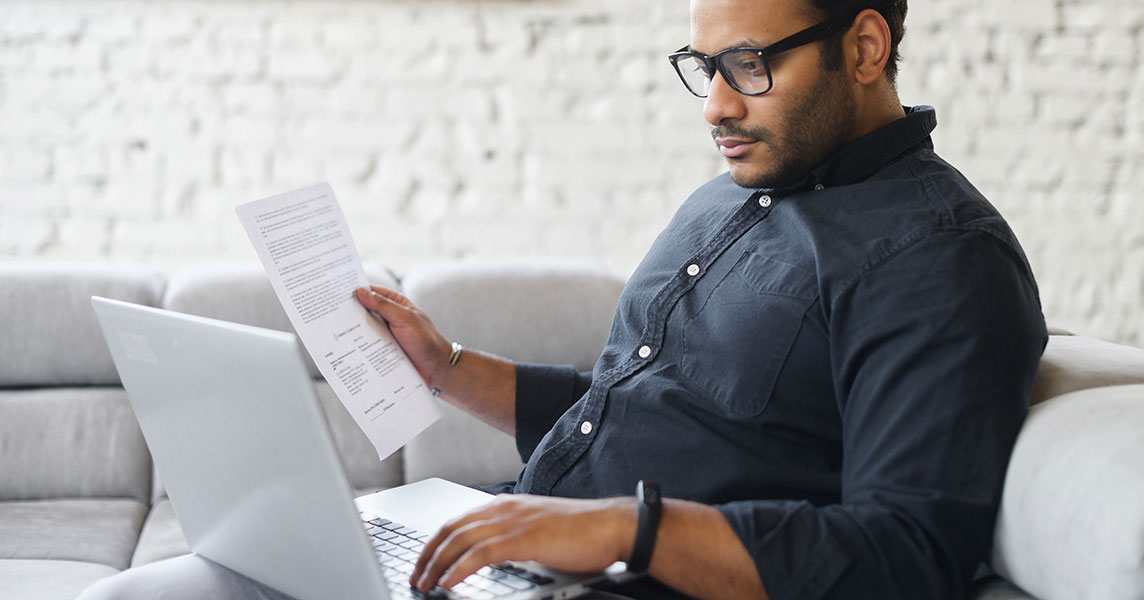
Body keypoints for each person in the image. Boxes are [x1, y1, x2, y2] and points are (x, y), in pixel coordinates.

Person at [81, 0, 1047, 598]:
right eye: (703, 68)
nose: (715, 104)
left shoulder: (941, 262)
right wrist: (452, 372)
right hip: (516, 551)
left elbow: (906, 554)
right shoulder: (734, 193)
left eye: (750, 65)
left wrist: (632, 527)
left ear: (866, 44)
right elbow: (648, 407)